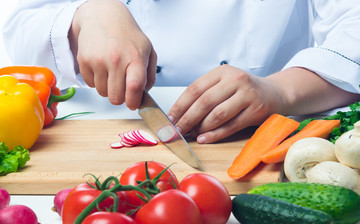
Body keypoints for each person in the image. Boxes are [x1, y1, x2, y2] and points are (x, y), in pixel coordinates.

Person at [3, 0, 360, 144]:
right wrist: (85, 15)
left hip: (272, 123)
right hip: (89, 122)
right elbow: (15, 22)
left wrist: (282, 91)